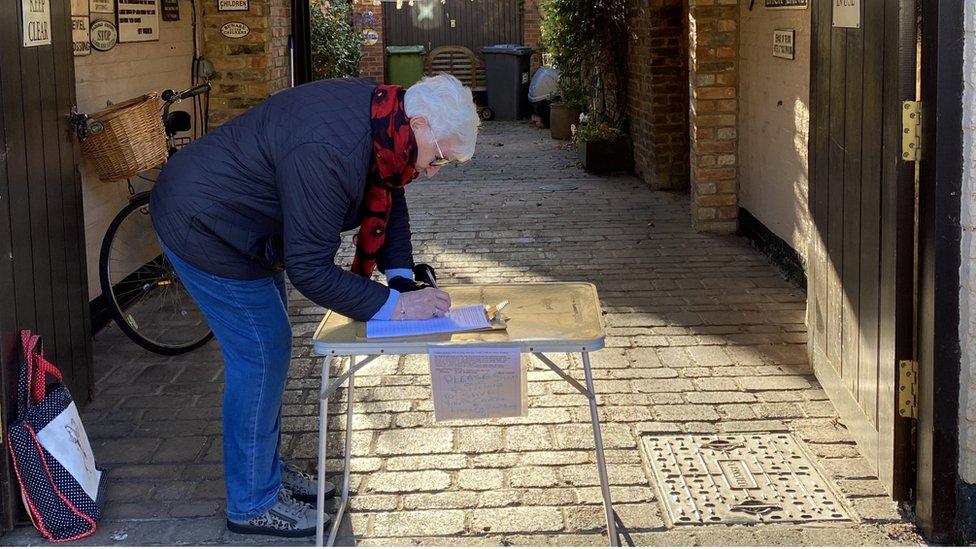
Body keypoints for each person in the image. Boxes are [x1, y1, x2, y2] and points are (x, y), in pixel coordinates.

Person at [149, 75, 480, 537]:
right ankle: (251, 503)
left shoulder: (388, 120)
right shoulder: (330, 150)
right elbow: (310, 270)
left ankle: (263, 474)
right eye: (439, 157)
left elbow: (390, 195)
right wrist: (395, 308)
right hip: (205, 223)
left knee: (269, 351)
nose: (433, 170)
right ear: (420, 123)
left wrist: (402, 280)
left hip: (248, 226)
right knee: (262, 354)